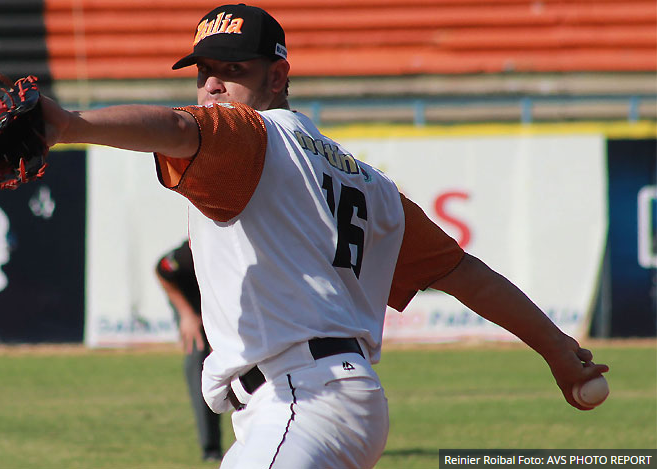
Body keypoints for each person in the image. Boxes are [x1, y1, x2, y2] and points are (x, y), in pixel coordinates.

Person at [36, 4, 609, 468]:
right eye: (203, 69)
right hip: (326, 401)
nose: (212, 84)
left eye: (232, 70)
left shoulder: (249, 135)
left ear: (278, 75)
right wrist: (558, 351)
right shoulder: (369, 183)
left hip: (300, 399)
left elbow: (178, 127)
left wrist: (71, 126)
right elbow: (465, 275)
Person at [155, 241, 222, 462]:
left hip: (221, 307)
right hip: (192, 307)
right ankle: (210, 448)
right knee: (197, 360)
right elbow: (162, 269)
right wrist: (186, 314)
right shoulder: (189, 252)